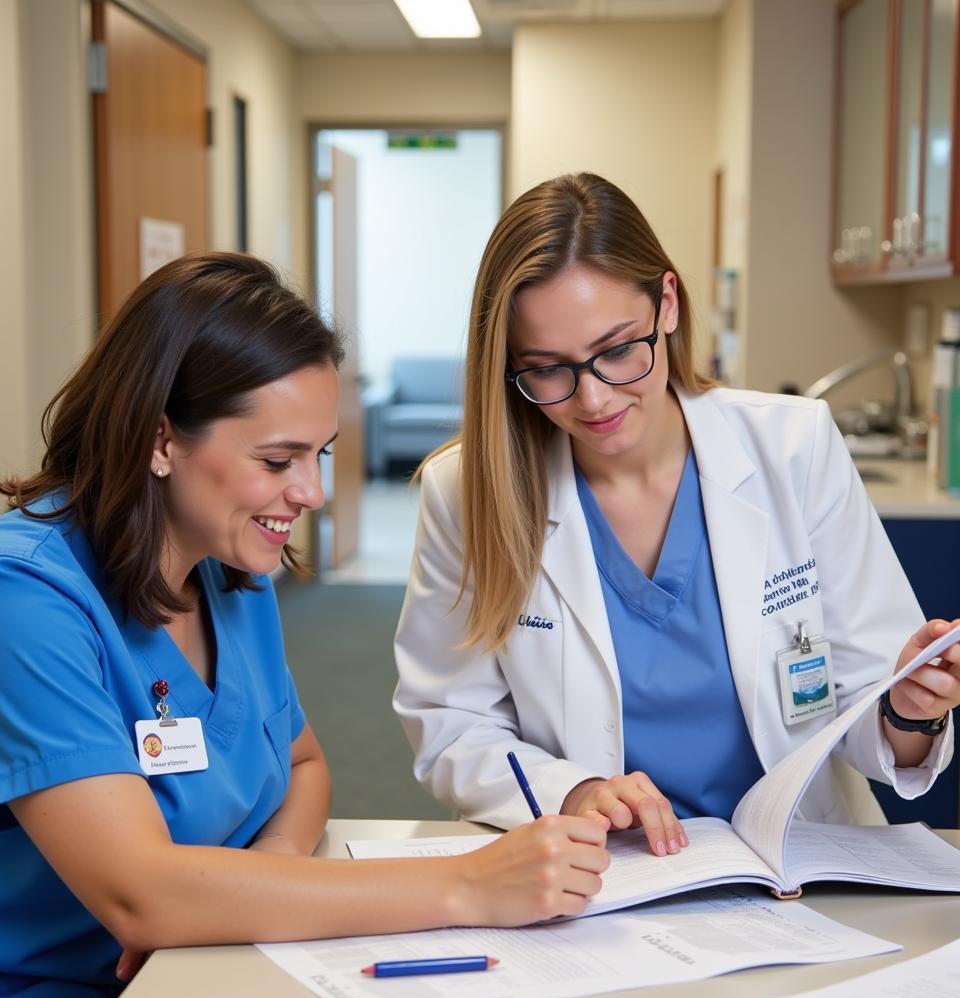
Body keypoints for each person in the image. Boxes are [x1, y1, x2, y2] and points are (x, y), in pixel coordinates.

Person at [0, 253, 611, 998]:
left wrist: (248, 889)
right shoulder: (12, 595)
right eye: (278, 459)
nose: (313, 493)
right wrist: (468, 884)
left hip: (188, 977)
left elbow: (304, 764)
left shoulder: (228, 575)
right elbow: (140, 895)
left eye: (319, 454)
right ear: (161, 440)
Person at [393, 173, 960, 857]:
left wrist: (908, 711)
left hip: (798, 861)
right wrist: (571, 791)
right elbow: (451, 725)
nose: (594, 400)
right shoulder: (467, 491)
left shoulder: (793, 447)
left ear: (666, 304)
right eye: (548, 369)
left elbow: (875, 707)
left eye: (616, 351)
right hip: (597, 871)